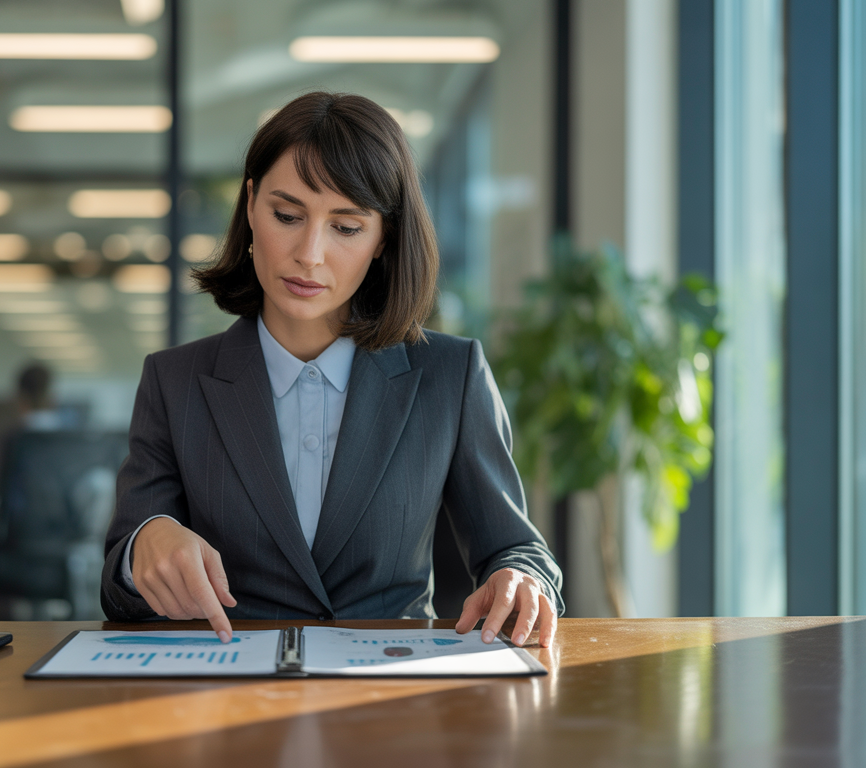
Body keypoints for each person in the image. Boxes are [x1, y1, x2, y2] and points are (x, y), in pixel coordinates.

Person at [101, 91, 562, 648]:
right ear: (250, 205)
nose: (309, 253)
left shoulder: (450, 375)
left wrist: (522, 579)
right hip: (228, 696)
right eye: (287, 215)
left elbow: (517, 547)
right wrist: (147, 541)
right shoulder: (174, 382)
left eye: (346, 227)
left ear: (382, 238)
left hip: (392, 695)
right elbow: (118, 582)